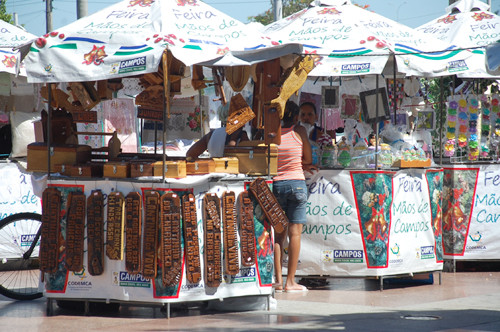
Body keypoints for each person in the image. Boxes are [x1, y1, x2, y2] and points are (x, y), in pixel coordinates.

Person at [273, 100, 316, 293]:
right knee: (295, 233)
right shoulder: (300, 132)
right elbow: (308, 159)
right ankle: (291, 281)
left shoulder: (272, 135)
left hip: (276, 185)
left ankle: (277, 280)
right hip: (297, 184)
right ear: (296, 117)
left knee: (278, 235)